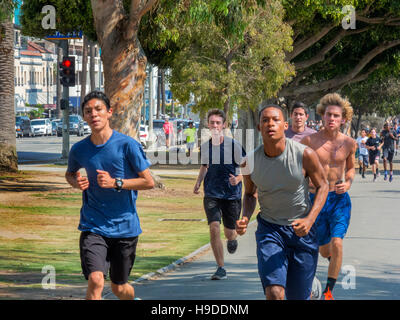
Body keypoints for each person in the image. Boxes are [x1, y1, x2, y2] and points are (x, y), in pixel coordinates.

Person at [65, 91, 154, 300]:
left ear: (109, 113)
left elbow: (149, 182)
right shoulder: (79, 149)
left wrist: (116, 183)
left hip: (125, 227)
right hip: (93, 225)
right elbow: (70, 174)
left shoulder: (127, 145)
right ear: (84, 117)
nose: (93, 114)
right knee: (96, 280)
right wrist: (76, 182)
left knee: (119, 288)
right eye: (88, 111)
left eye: (98, 109)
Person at [236, 104, 328, 300]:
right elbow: (250, 194)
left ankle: (311, 290)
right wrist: (244, 217)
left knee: (298, 296)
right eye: (265, 120)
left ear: (285, 125)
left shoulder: (304, 155)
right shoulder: (249, 161)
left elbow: (323, 186)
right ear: (259, 127)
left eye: (275, 120)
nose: (270, 124)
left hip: (301, 229)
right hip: (270, 230)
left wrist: (310, 220)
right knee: (275, 292)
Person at [301, 93, 356, 300]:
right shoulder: (309, 141)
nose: (331, 119)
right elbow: (302, 170)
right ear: (322, 116)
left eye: (336, 116)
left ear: (343, 119)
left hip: (339, 200)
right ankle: (333, 259)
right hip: (316, 199)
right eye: (328, 115)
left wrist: (348, 182)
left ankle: (328, 291)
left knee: (337, 243)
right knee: (324, 250)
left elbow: (351, 169)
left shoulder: (349, 143)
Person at [194, 109, 246, 280]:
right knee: (214, 227)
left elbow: (247, 169)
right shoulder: (205, 146)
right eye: (212, 122)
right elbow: (204, 166)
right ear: (208, 125)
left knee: (230, 232)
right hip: (212, 193)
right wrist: (198, 182)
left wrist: (238, 179)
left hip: (231, 195)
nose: (215, 125)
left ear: (224, 125)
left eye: (218, 122)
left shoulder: (234, 146)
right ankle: (220, 267)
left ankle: (232, 239)